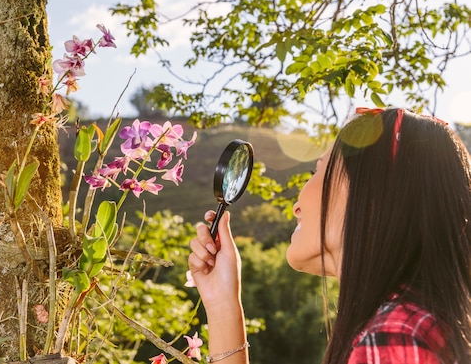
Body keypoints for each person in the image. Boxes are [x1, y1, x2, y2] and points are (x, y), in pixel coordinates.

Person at [188, 108, 471, 364]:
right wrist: (222, 304)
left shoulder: (397, 335)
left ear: (370, 195)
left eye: (317, 171)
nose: (296, 207)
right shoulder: (418, 325)